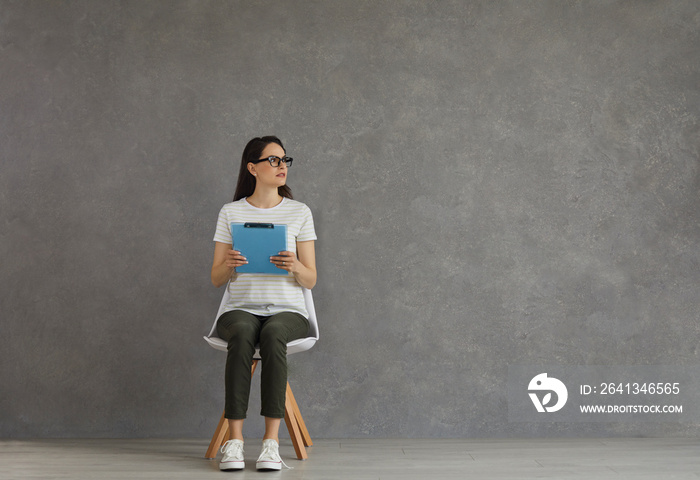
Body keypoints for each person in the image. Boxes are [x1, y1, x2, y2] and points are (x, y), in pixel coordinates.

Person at [210, 136, 317, 471]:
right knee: (242, 331)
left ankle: (271, 443)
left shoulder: (299, 212)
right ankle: (236, 442)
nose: (282, 166)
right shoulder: (231, 211)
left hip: (288, 312)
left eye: (285, 159)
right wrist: (229, 263)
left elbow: (311, 278)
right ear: (252, 167)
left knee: (273, 335)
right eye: (273, 160)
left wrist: (296, 266)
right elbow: (215, 278)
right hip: (240, 308)